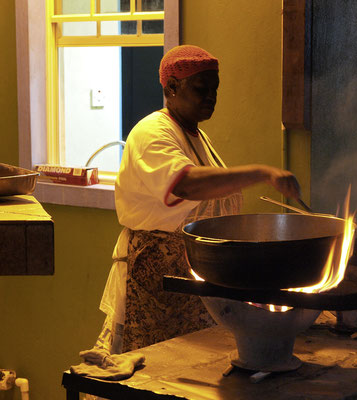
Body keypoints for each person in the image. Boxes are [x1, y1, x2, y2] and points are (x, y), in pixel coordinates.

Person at [96, 45, 302, 354]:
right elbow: (186, 185)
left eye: (215, 89)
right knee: (146, 371)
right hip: (153, 285)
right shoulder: (151, 132)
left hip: (191, 279)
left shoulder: (197, 136)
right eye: (201, 88)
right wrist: (261, 172)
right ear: (172, 87)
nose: (211, 96)